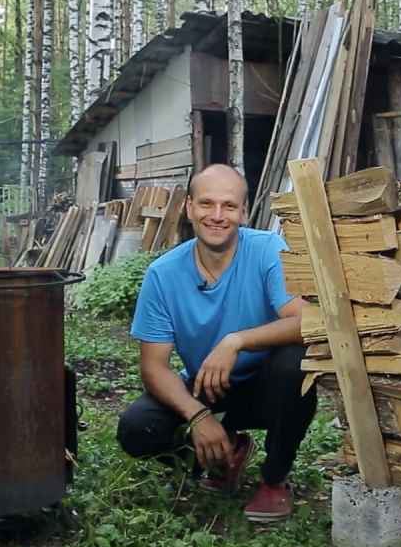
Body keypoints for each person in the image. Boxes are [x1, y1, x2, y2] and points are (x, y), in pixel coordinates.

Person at [116, 164, 317, 523]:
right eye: (207, 204)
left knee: (295, 361)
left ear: (243, 211)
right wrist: (198, 415)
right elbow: (153, 367)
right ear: (189, 207)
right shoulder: (163, 274)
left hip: (267, 386)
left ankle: (274, 479)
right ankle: (225, 451)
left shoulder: (268, 249)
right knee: (136, 427)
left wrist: (236, 341)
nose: (217, 216)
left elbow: (308, 322)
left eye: (228, 205)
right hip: (207, 386)